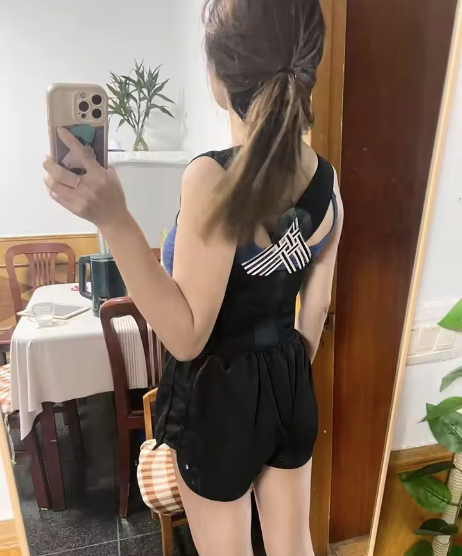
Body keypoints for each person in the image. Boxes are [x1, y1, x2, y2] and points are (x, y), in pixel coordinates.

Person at [43, 0, 344, 554]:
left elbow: (186, 336)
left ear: (218, 76)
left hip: (219, 397)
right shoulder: (327, 179)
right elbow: (318, 304)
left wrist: (114, 220)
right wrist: (282, 377)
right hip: (289, 376)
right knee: (293, 545)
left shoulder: (212, 177)